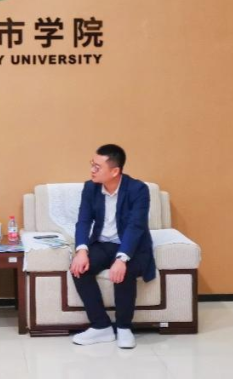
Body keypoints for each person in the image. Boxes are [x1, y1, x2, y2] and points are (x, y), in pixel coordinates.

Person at [69, 144, 155, 349]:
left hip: (131, 246)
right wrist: (81, 250)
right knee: (80, 269)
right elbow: (83, 221)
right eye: (92, 164)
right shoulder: (90, 188)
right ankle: (101, 326)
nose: (92, 170)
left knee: (124, 272)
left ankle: (124, 327)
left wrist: (122, 258)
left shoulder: (138, 189)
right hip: (102, 243)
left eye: (97, 167)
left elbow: (136, 226)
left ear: (115, 171)